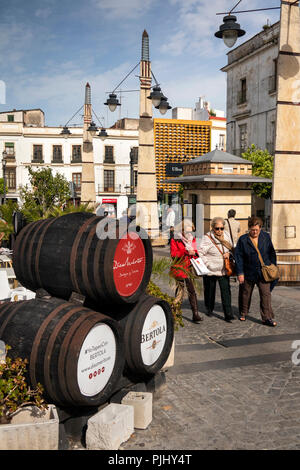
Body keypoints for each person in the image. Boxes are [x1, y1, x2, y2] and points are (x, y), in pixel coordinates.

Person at [235, 216, 277, 326]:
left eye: (257, 230)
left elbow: (271, 252)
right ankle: (243, 312)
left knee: (266, 294)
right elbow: (238, 257)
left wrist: (273, 266)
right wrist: (240, 273)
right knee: (245, 293)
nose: (254, 232)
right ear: (249, 228)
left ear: (260, 228)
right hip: (248, 271)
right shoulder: (243, 239)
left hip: (263, 272)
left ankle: (266, 317)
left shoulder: (266, 237)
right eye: (252, 230)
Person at [198, 217, 234, 322]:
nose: (219, 231)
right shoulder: (207, 238)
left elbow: (231, 248)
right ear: (213, 227)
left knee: (226, 291)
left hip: (224, 269)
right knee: (210, 291)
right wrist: (208, 264)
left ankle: (228, 313)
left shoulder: (226, 235)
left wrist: (229, 254)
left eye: (221, 228)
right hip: (211, 270)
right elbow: (200, 252)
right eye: (217, 228)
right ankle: (209, 308)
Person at [170, 220, 203, 324]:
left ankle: (195, 314)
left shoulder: (192, 240)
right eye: (187, 232)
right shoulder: (176, 240)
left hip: (190, 268)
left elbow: (197, 253)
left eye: (191, 231)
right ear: (182, 230)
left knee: (192, 291)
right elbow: (174, 254)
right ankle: (176, 313)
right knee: (180, 291)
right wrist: (185, 251)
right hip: (179, 268)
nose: (189, 234)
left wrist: (194, 252)